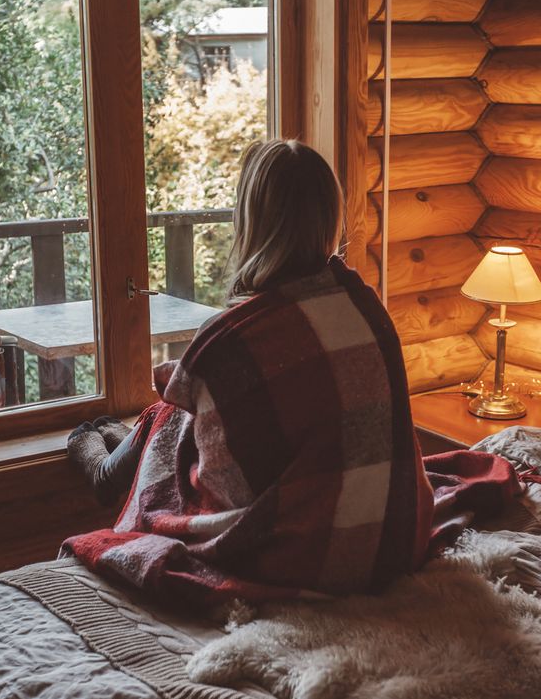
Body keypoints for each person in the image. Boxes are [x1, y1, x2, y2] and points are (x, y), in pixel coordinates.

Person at [64, 139, 516, 606]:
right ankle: (117, 446)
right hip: (392, 539)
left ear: (252, 220)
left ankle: (106, 468)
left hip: (305, 556)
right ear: (327, 216)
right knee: (191, 395)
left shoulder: (228, 338)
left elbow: (228, 489)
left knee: (172, 412)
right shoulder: (363, 306)